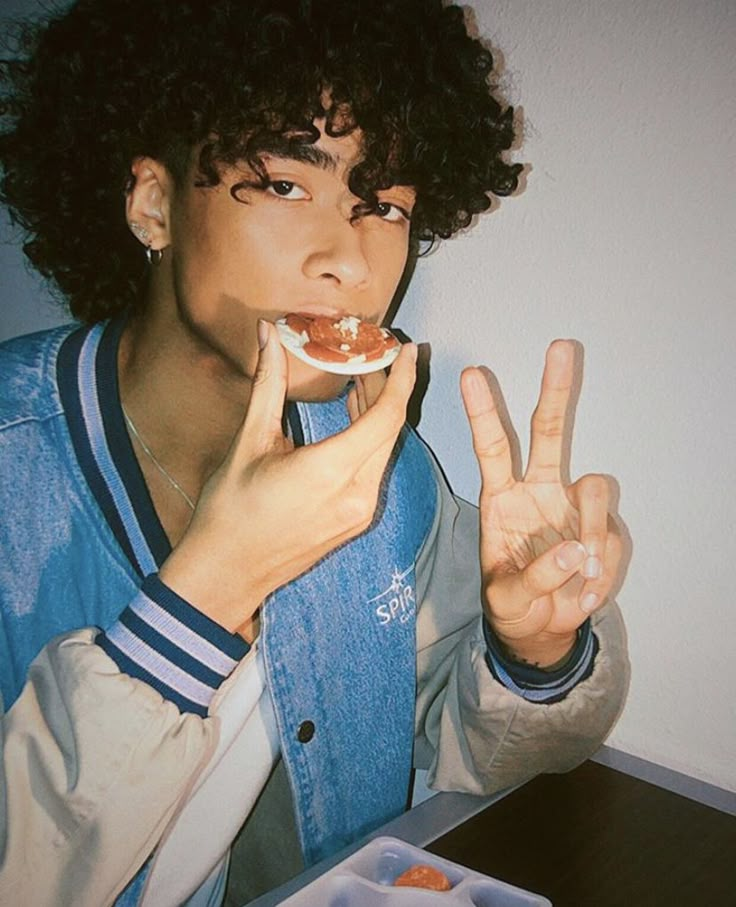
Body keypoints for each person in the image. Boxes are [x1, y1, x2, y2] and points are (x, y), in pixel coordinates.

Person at [0, 0, 629, 904]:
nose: (350, 262)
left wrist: (532, 653)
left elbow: (461, 754)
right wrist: (208, 591)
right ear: (153, 205)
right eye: (289, 185)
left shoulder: (385, 472)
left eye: (381, 205)